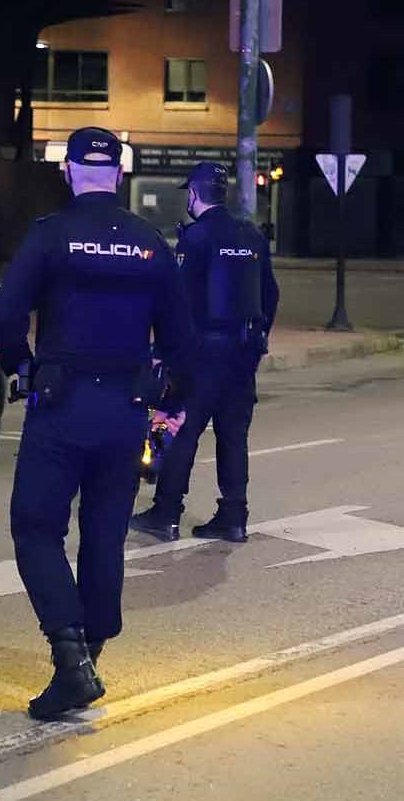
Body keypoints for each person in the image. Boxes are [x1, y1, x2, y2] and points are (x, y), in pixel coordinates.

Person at [0, 127, 193, 720]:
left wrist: (20, 367)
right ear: (121, 174)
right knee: (104, 535)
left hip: (61, 407)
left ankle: (71, 658)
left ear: (71, 171)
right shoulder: (150, 243)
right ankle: (90, 656)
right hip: (126, 411)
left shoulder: (51, 237)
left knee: (35, 528)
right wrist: (169, 408)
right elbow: (181, 340)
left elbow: (6, 312)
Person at [130, 162, 280, 545]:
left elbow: (177, 301)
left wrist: (163, 351)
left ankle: (166, 513)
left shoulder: (196, 239)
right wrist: (257, 337)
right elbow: (271, 295)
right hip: (242, 353)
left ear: (194, 195)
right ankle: (233, 516)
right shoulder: (252, 235)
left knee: (181, 432)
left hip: (201, 354)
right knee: (233, 436)